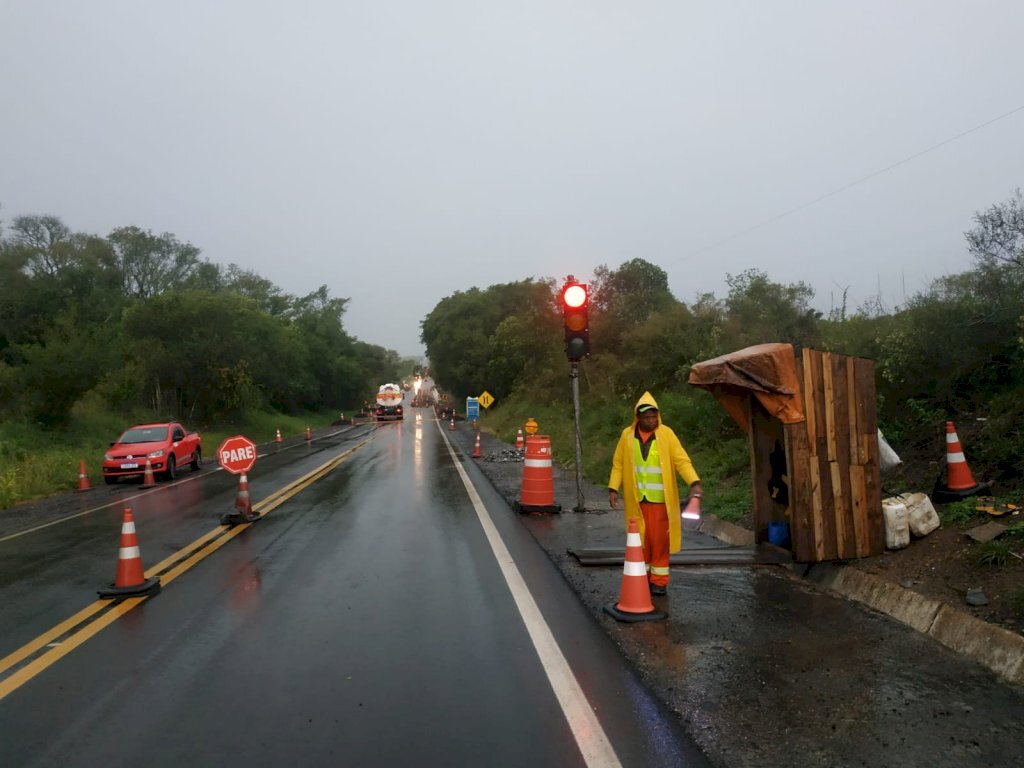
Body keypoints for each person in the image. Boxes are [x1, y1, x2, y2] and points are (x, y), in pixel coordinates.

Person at [608, 392, 702, 596]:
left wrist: (694, 482)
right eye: (647, 417)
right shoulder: (627, 435)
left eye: (654, 416)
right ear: (638, 417)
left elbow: (681, 461)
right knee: (640, 541)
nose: (651, 420)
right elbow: (618, 464)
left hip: (660, 502)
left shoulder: (666, 434)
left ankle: (659, 581)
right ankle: (644, 576)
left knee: (660, 542)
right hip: (637, 501)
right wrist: (613, 488)